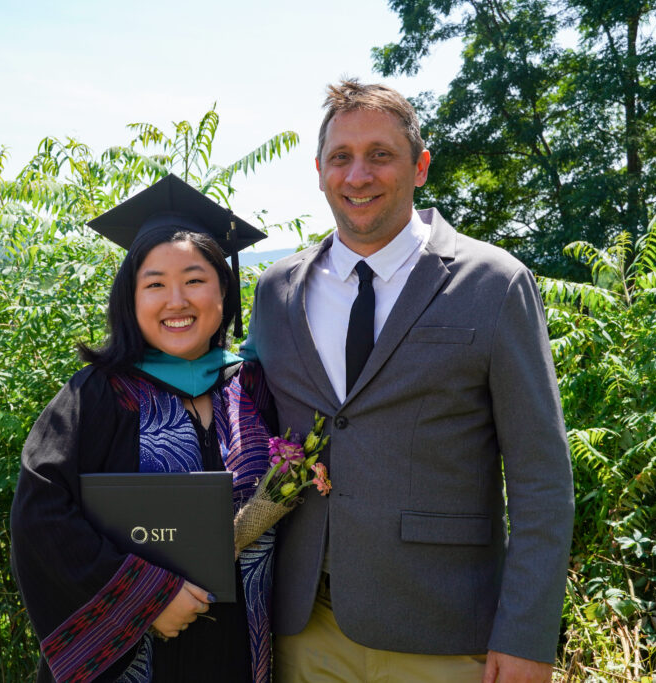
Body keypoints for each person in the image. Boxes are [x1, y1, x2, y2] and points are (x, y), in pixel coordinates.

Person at [242, 79, 574, 682]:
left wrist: (528, 635)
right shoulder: (277, 291)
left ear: (420, 166)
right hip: (305, 631)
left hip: (444, 633)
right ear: (319, 172)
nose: (357, 175)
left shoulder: (494, 283)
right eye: (340, 157)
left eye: (380, 155)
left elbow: (542, 478)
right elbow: (240, 415)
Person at [10, 174, 277, 683]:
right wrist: (145, 599)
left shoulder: (257, 387)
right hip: (135, 650)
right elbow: (39, 518)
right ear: (131, 299)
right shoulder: (99, 395)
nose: (176, 300)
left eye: (195, 279)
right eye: (154, 284)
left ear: (225, 290)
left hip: (243, 651)